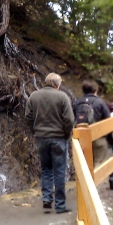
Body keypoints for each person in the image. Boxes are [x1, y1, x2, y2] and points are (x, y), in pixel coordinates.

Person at [25, 73, 75, 214]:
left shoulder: (34, 96)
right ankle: (60, 205)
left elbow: (28, 117)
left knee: (46, 169)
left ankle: (47, 199)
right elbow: (69, 120)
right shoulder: (62, 97)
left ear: (45, 82)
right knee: (59, 171)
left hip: (41, 138)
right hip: (59, 138)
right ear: (57, 85)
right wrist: (66, 134)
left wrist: (35, 131)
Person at [73, 81, 111, 167]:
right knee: (98, 161)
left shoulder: (77, 102)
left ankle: (85, 179)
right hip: (97, 137)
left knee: (84, 163)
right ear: (95, 90)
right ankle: (95, 180)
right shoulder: (100, 102)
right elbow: (108, 120)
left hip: (81, 137)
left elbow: (73, 118)